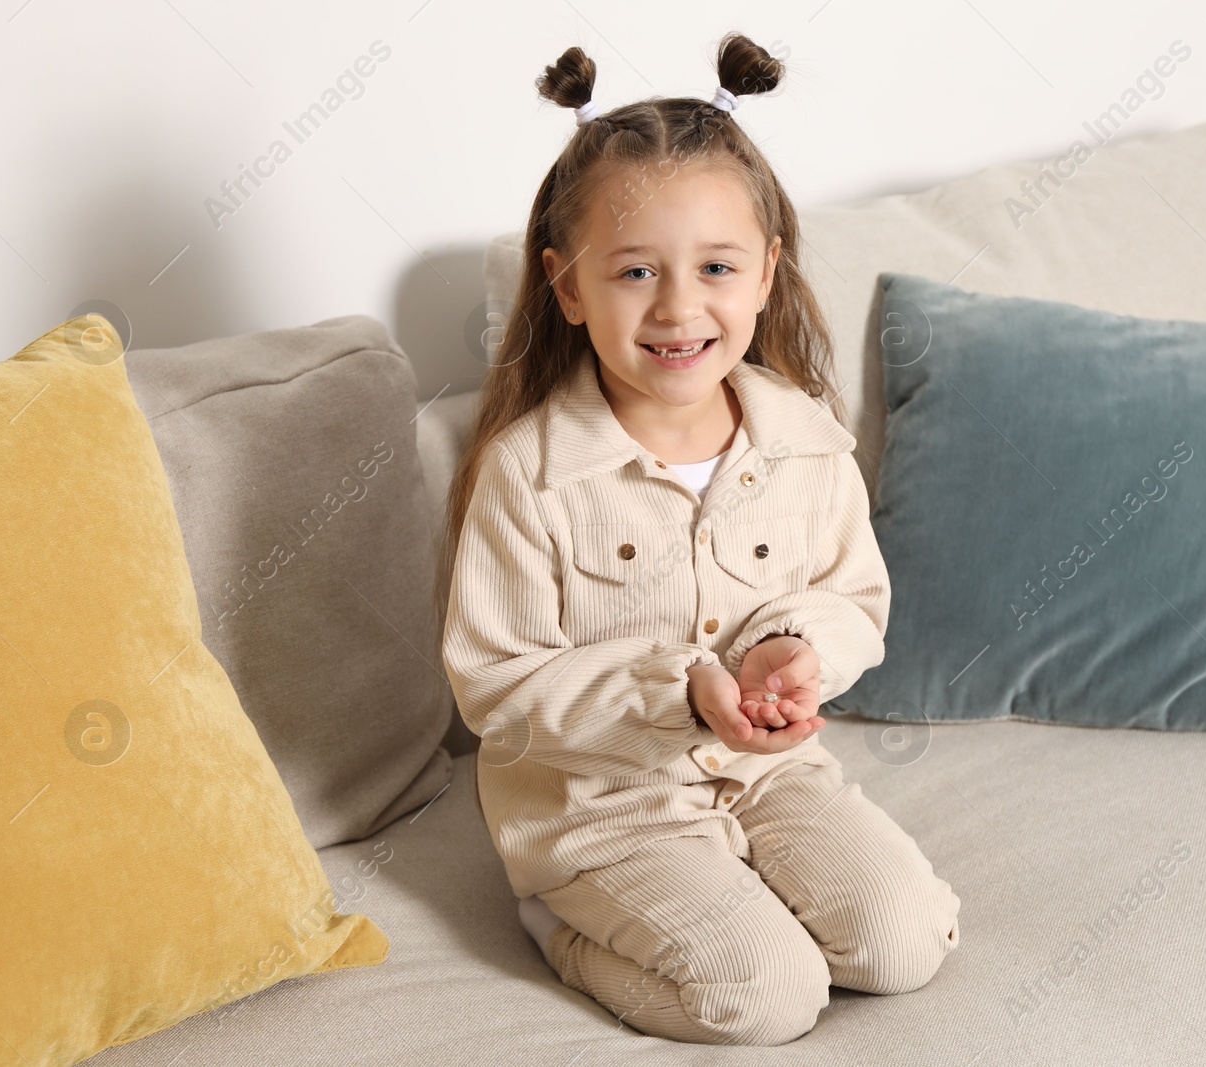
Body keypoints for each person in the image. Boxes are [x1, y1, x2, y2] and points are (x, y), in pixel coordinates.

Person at [436, 31, 960, 1046]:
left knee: (903, 944)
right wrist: (675, 692)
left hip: (769, 776)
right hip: (604, 806)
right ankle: (560, 924)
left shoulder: (806, 442)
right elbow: (495, 687)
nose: (679, 306)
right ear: (568, 286)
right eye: (634, 270)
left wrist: (799, 650)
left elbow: (856, 602)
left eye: (715, 265)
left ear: (764, 273)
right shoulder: (530, 473)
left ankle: (765, 882)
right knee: (765, 996)